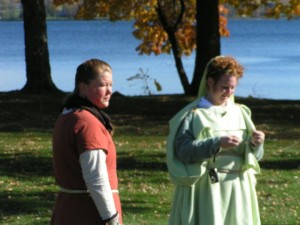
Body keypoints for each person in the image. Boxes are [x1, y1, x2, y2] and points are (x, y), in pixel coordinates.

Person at [166, 56, 265, 225]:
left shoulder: (240, 113)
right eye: (224, 87)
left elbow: (255, 156)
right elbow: (183, 150)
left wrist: (256, 144)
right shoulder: (194, 114)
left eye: (232, 88)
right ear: (210, 83)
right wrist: (216, 143)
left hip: (239, 187)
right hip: (208, 189)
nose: (229, 92)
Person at [50, 59, 123, 225]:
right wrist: (111, 218)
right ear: (83, 88)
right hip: (88, 213)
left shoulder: (68, 116)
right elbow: (95, 177)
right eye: (103, 85)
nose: (110, 91)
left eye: (111, 85)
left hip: (68, 210)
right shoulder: (87, 124)